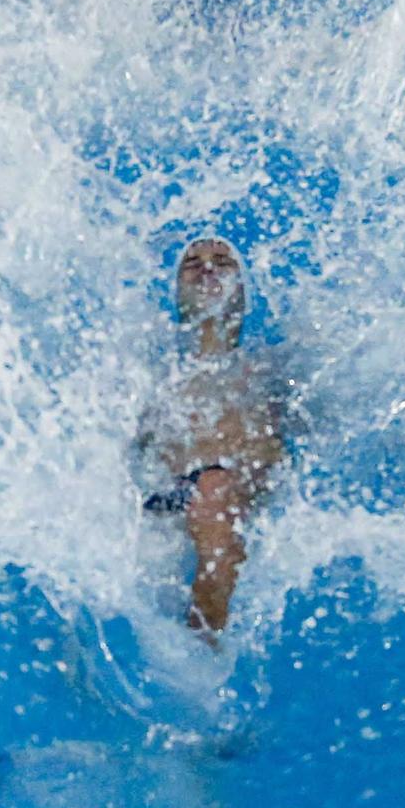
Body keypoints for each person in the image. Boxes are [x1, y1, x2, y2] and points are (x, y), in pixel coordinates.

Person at [138, 239, 287, 637]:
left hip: (242, 495)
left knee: (216, 488)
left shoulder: (273, 371)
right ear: (176, 289)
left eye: (222, 263)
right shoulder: (154, 373)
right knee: (212, 488)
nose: (207, 271)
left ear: (243, 287)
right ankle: (202, 642)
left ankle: (203, 639)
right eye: (192, 263)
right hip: (175, 498)